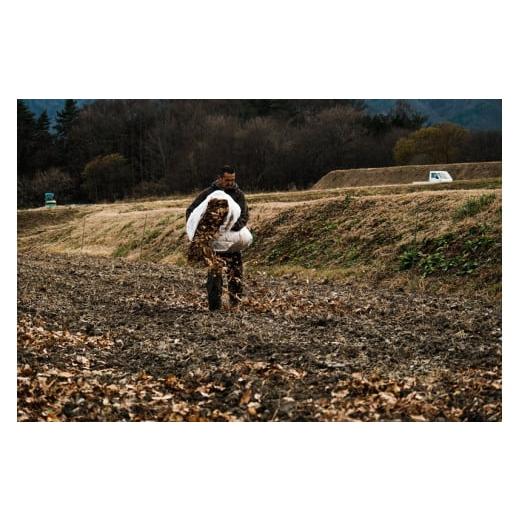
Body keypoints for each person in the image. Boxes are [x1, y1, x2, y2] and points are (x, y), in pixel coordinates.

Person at [186, 165, 249, 311]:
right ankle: (214, 307)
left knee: (236, 273)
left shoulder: (239, 195)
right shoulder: (208, 194)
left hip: (232, 241)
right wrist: (202, 230)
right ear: (220, 178)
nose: (230, 183)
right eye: (227, 180)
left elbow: (244, 216)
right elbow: (192, 211)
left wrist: (230, 226)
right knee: (215, 274)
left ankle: (235, 304)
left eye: (233, 180)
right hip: (214, 244)